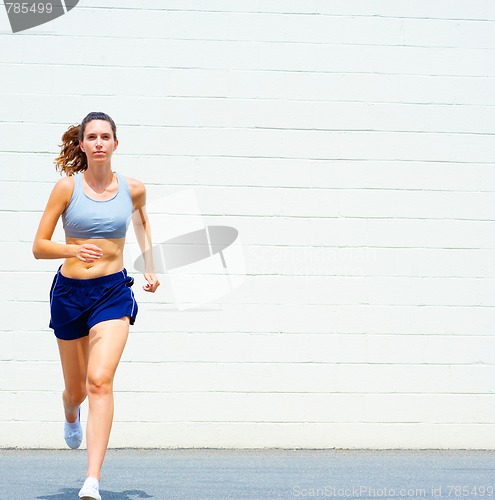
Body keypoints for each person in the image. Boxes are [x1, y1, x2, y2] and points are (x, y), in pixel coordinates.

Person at [32, 112, 160, 500]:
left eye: (107, 136)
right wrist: (73, 248)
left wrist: (151, 269)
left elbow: (141, 223)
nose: (100, 142)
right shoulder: (66, 189)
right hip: (70, 295)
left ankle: (92, 480)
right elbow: (39, 246)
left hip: (112, 292)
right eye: (93, 137)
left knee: (100, 381)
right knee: (77, 390)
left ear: (116, 144)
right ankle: (70, 412)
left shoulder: (133, 189)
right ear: (83, 144)